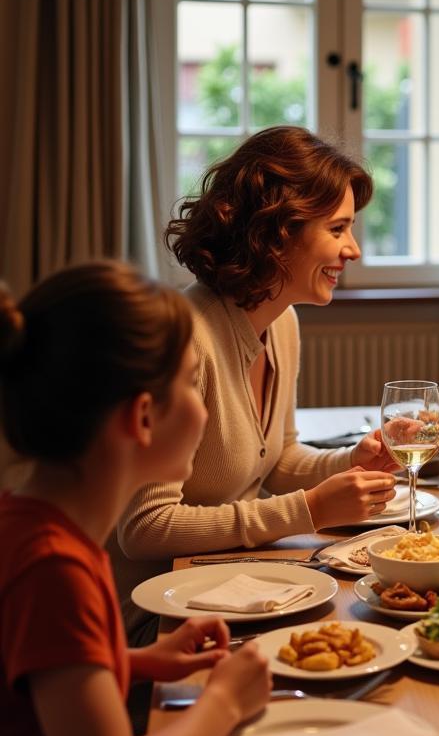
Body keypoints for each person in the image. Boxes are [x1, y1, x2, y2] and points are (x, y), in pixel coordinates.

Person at [0, 261, 272, 736]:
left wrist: (135, 661)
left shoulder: (39, 527)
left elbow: (41, 676)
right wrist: (224, 701)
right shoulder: (53, 569)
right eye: (192, 383)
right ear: (143, 417)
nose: (204, 409)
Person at [115, 126, 398, 637]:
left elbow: (280, 459)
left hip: (229, 586)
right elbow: (144, 529)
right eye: (337, 230)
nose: (353, 249)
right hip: (153, 621)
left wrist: (348, 461)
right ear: (276, 232)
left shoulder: (280, 321)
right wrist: (309, 509)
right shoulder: (183, 340)